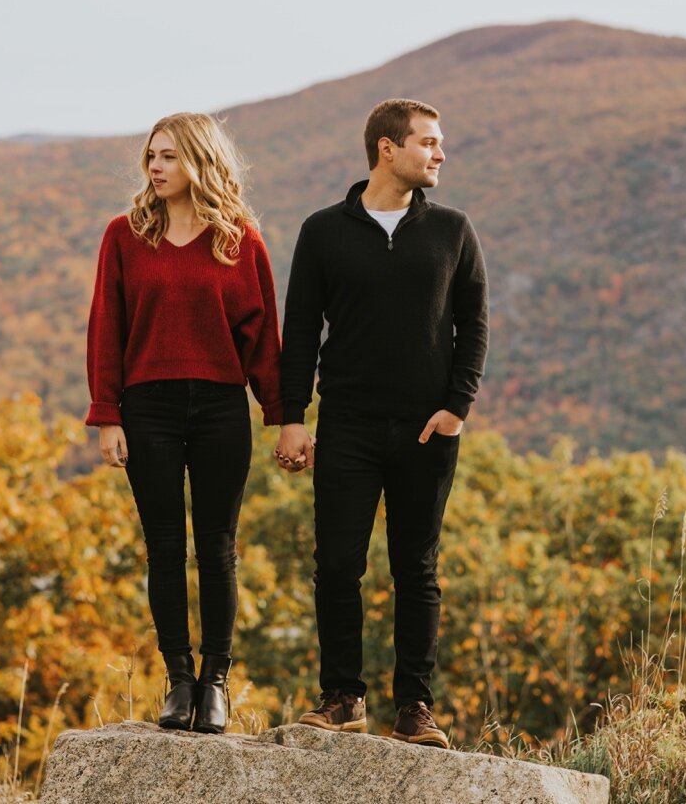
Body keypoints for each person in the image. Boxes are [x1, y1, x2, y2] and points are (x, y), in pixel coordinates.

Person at [275, 98, 489, 749]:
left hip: (428, 431)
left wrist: (457, 408)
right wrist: (291, 418)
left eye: (440, 142)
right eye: (429, 142)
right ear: (387, 149)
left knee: (415, 569)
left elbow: (474, 325)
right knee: (338, 564)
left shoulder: (453, 230)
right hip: (348, 425)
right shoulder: (323, 232)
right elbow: (301, 331)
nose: (441, 153)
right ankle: (342, 698)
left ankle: (415, 710)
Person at [85, 112, 283, 735]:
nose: (156, 166)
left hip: (222, 407)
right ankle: (178, 681)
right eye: (152, 156)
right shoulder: (124, 236)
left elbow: (263, 338)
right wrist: (107, 415)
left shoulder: (240, 239)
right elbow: (105, 328)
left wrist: (283, 417)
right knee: (165, 547)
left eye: (169, 156)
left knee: (218, 548)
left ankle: (216, 684)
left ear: (200, 160)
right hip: (149, 410)